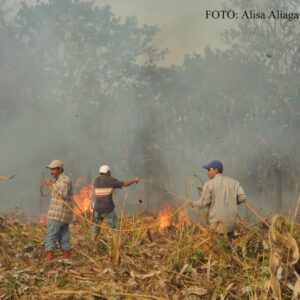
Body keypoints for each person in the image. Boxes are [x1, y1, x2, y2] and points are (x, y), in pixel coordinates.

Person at [189, 160, 247, 238]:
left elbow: (203, 203)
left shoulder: (209, 184)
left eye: (209, 169)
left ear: (216, 170)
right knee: (229, 246)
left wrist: (193, 203)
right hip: (231, 225)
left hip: (217, 226)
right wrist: (232, 201)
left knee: (219, 247)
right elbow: (243, 197)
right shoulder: (234, 183)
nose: (207, 172)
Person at [92, 165, 139, 241]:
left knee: (96, 227)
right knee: (115, 227)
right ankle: (116, 247)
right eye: (109, 172)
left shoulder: (95, 180)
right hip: (107, 209)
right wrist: (134, 180)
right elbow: (124, 184)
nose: (110, 174)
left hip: (97, 209)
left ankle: (92, 244)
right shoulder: (110, 180)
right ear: (107, 172)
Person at [44, 160, 73, 261]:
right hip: (63, 216)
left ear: (60, 169)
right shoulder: (59, 180)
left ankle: (49, 260)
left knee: (50, 237)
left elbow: (63, 194)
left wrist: (51, 185)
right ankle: (66, 260)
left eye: (53, 169)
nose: (51, 171)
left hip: (57, 215)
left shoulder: (64, 179)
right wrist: (52, 184)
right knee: (64, 237)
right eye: (51, 169)